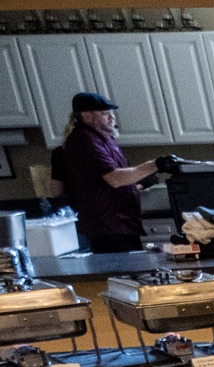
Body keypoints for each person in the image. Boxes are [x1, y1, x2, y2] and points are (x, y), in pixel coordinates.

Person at [59, 92, 164, 253]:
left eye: (111, 113)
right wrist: (154, 164)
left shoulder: (104, 139)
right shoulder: (84, 140)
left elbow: (117, 179)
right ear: (86, 116)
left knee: (134, 273)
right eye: (105, 114)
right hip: (107, 226)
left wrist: (142, 179)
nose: (112, 118)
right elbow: (114, 179)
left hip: (122, 224)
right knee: (125, 274)